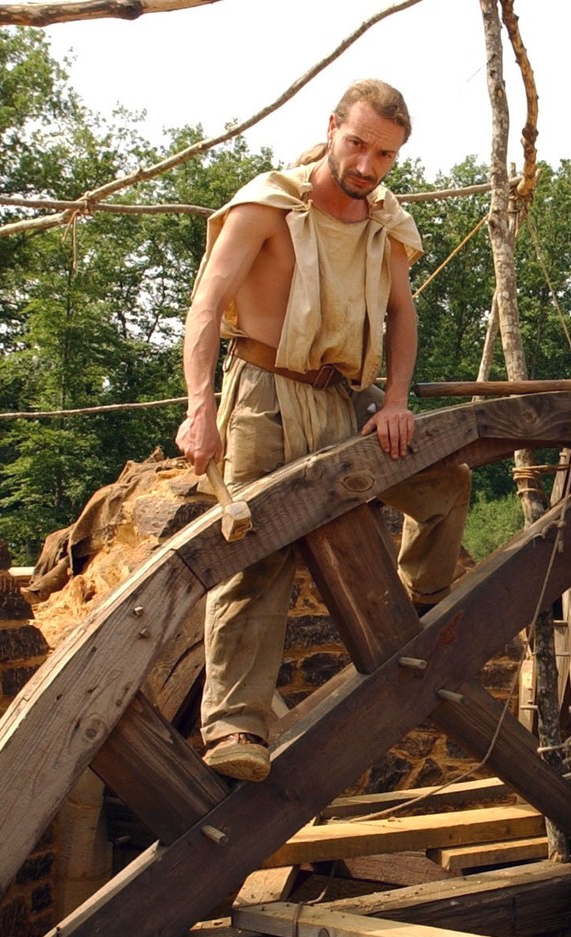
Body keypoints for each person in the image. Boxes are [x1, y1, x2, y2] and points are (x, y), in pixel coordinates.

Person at [176, 79, 470, 782]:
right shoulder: (267, 204)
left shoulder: (386, 222)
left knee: (443, 483)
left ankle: (423, 597)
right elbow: (206, 306)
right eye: (359, 144)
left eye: (386, 155)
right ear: (333, 127)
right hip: (263, 396)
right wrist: (198, 408)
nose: (369, 165)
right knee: (257, 549)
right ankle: (235, 726)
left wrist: (395, 400)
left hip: (348, 396)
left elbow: (403, 314)